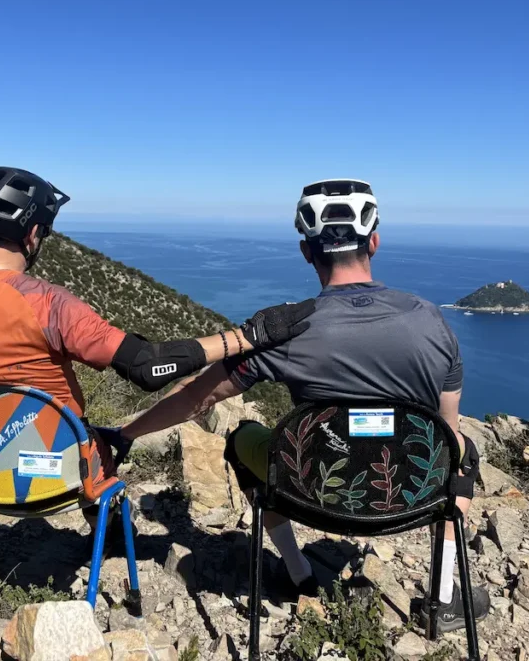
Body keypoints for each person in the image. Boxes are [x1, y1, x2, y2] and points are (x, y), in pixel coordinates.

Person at [113, 179, 490, 634]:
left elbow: (199, 397)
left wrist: (126, 434)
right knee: (462, 451)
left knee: (241, 440)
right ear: (374, 242)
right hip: (411, 495)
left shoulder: (286, 332)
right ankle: (445, 598)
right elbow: (447, 431)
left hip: (314, 491)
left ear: (306, 252)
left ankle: (299, 576)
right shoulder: (431, 319)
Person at [0, 166, 315, 496]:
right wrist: (245, 338)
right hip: (56, 472)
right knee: (95, 442)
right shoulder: (49, 305)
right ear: (33, 233)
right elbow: (148, 367)